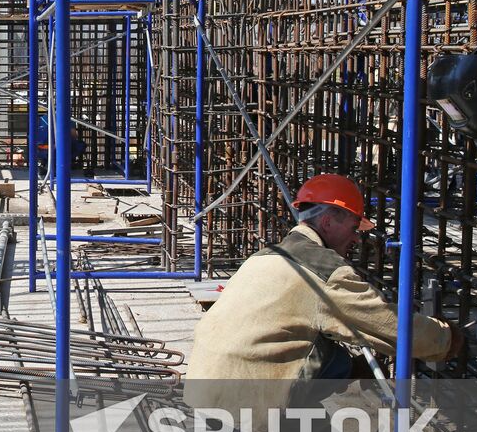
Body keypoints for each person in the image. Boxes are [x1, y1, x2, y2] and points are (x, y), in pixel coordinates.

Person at [186, 174, 462, 413]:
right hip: (241, 401)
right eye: (353, 228)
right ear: (328, 222)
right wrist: (445, 339)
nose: (356, 238)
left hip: (203, 386)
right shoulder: (323, 270)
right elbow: (386, 324)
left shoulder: (266, 255)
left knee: (327, 348)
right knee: (333, 358)